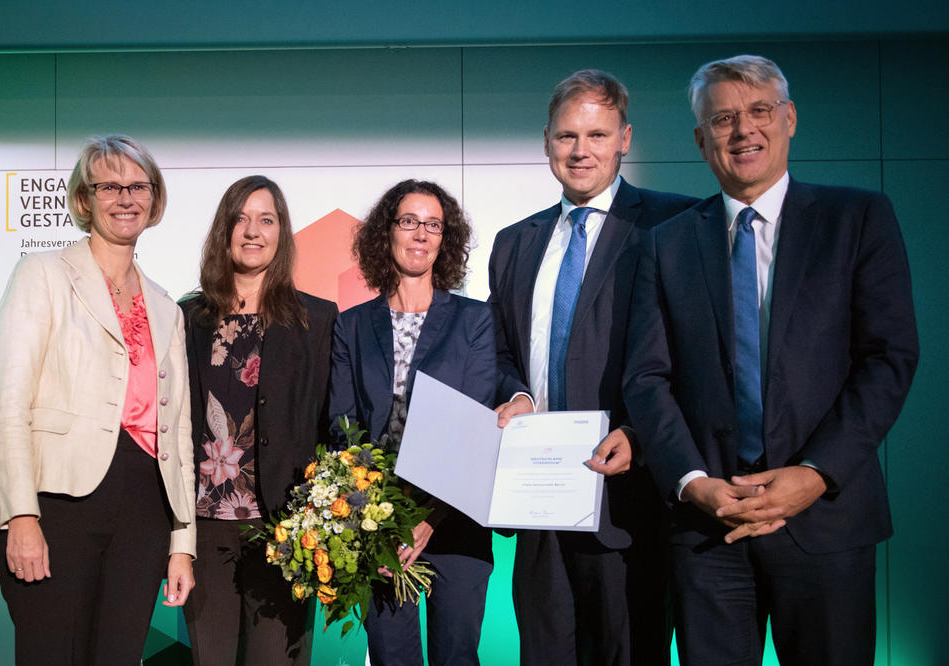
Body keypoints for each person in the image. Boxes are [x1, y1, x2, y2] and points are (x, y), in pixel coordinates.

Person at [622, 54, 919, 665]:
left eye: (759, 112)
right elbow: (647, 378)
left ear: (789, 119)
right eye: (724, 119)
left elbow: (887, 359)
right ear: (701, 139)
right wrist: (691, 482)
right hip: (708, 529)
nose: (743, 130)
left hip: (826, 521)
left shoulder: (857, 219)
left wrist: (815, 474)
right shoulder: (667, 243)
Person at [488, 69, 698, 666]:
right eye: (566, 136)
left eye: (598, 135)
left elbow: (692, 356)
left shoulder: (673, 226)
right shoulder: (514, 242)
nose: (581, 151)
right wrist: (517, 394)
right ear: (546, 142)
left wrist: (640, 432)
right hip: (538, 501)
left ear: (625, 139)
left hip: (629, 497)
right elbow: (500, 350)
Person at [0, 134, 196, 665]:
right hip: (58, 504)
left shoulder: (167, 307)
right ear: (85, 198)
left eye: (137, 186)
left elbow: (180, 431)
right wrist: (21, 516)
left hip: (145, 507)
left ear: (154, 198)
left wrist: (182, 541)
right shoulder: (44, 275)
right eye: (109, 186)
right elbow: (9, 405)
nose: (125, 198)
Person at [328, 179, 496, 666]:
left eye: (433, 225)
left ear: (446, 239)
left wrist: (425, 517)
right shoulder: (352, 325)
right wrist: (376, 517)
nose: (420, 234)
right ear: (387, 232)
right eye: (409, 221)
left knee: (456, 656)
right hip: (379, 527)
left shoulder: (476, 321)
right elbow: (343, 425)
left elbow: (476, 425)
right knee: (390, 658)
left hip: (456, 520)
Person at [180, 175, 337, 665]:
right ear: (224, 231)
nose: (252, 231)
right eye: (240, 219)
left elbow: (333, 424)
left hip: (286, 528)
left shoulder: (318, 319)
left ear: (281, 232)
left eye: (265, 219)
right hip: (205, 529)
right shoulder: (187, 318)